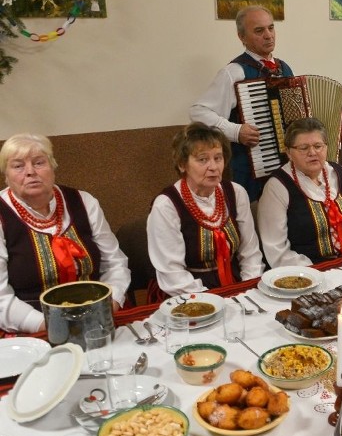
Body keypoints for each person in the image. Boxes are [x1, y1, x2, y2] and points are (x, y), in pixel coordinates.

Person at [0, 134, 130, 333]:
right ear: (6, 176)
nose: (30, 172)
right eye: (18, 166)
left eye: (39, 163)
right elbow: (1, 297)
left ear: (52, 167)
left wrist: (110, 303)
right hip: (33, 328)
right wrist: (49, 325)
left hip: (98, 319)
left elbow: (114, 262)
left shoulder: (84, 202)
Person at [189, 5, 294, 202]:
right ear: (242, 37)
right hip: (251, 170)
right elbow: (198, 111)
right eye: (259, 30)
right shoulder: (235, 72)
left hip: (286, 168)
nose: (268, 35)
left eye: (271, 28)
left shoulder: (284, 68)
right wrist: (235, 131)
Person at [147, 123, 263, 299]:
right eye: (202, 159)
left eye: (218, 158)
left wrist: (246, 291)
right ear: (182, 164)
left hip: (236, 285)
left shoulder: (236, 192)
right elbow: (172, 273)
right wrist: (212, 300)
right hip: (186, 293)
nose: (213, 167)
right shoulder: (166, 206)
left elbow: (250, 252)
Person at [257, 117, 342, 267]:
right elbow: (276, 250)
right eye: (303, 148)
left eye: (318, 146)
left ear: (326, 147)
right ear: (288, 152)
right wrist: (313, 271)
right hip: (309, 273)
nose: (312, 152)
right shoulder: (277, 187)